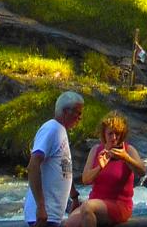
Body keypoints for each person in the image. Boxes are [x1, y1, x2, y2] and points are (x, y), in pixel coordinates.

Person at [24, 90, 86, 227]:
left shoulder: (61, 131)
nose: (80, 118)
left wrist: (74, 196)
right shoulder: (51, 129)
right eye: (78, 113)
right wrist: (41, 207)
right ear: (66, 111)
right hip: (43, 216)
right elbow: (33, 166)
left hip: (53, 215)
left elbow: (64, 166)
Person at [75, 112, 145, 226]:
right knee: (69, 223)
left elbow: (142, 171)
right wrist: (100, 167)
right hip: (96, 200)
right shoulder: (95, 150)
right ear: (104, 134)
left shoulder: (129, 150)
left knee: (87, 207)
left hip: (119, 204)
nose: (113, 137)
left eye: (117, 133)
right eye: (110, 134)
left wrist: (126, 158)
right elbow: (85, 180)